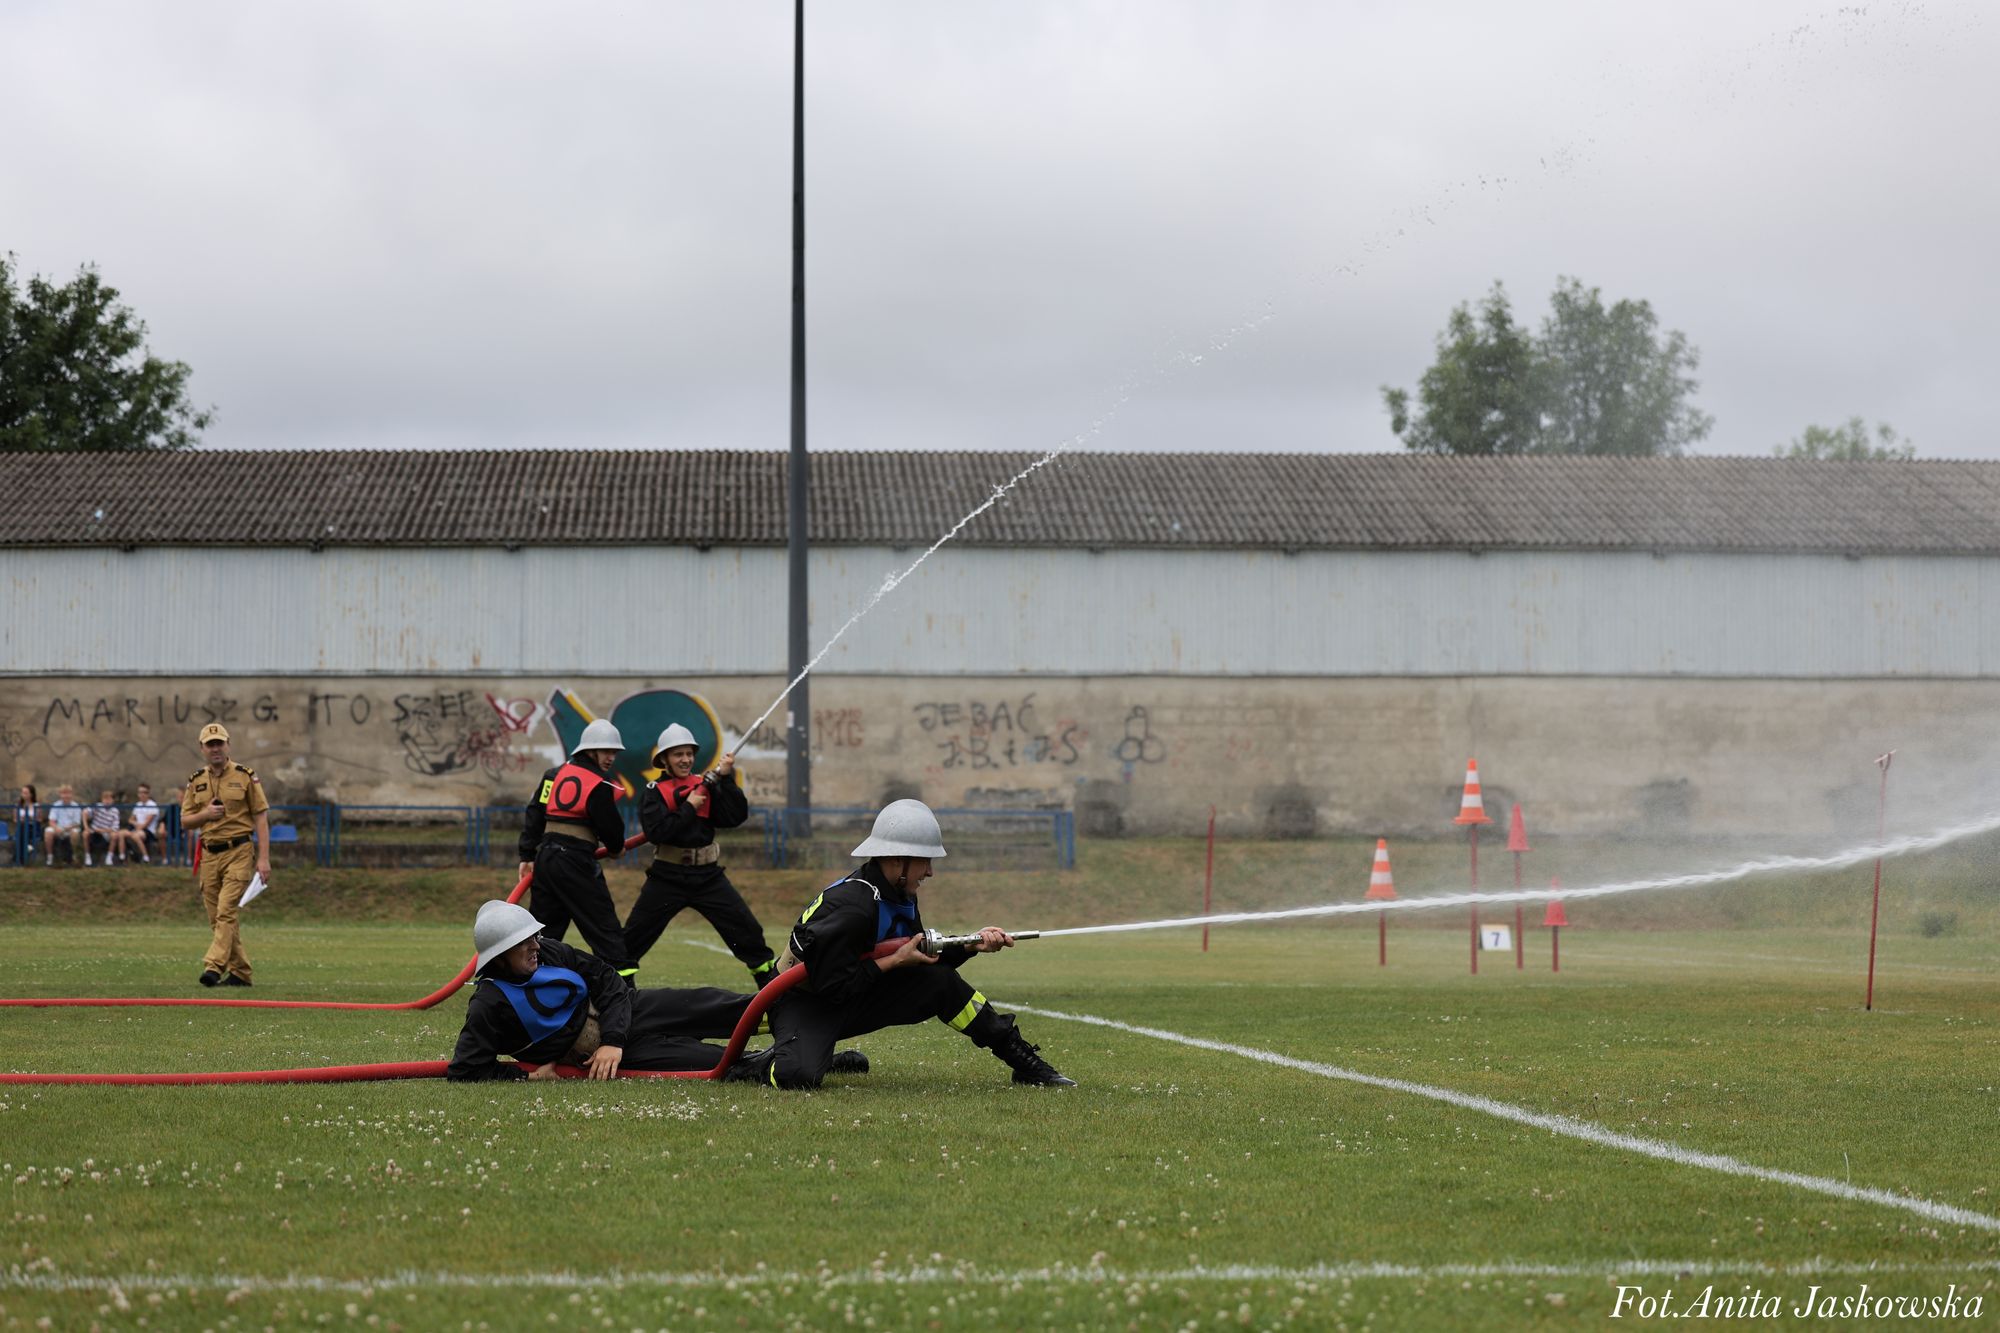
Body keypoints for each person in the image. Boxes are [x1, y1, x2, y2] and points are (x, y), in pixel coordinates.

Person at [745, 799, 1075, 1091]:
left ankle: (1023, 1062)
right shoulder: (852, 908)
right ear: (897, 860)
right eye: (925, 861)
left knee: (940, 983)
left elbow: (917, 958)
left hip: (849, 994)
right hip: (804, 1002)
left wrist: (972, 945)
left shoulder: (899, 894)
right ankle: (773, 1058)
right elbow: (833, 987)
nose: (930, 872)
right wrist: (892, 963)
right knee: (796, 1075)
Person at [447, 900, 852, 1083]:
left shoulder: (550, 950)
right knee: (720, 1064)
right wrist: (530, 1078)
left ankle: (818, 1026)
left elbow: (606, 980)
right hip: (593, 1057)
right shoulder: (489, 1004)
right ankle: (820, 1061)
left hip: (625, 1014)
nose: (536, 946)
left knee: (721, 1006)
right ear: (499, 956)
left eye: (534, 937)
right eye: (524, 943)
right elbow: (467, 1069)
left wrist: (614, 1039)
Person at [626, 724, 778, 985]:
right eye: (678, 755)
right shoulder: (653, 792)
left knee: (750, 935)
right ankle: (621, 1001)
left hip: (708, 877)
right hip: (667, 877)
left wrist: (727, 779)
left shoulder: (705, 785)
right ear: (664, 759)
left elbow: (735, 817)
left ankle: (774, 997)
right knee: (629, 943)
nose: (685, 760)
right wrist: (689, 807)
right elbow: (658, 832)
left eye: (689, 754)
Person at [517, 718, 639, 982]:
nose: (611, 757)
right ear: (590, 751)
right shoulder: (599, 783)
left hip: (546, 860)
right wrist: (616, 847)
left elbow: (535, 812)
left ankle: (525, 985)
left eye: (614, 752)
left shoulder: (553, 775)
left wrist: (527, 854)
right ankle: (625, 992)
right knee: (605, 930)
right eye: (606, 751)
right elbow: (610, 826)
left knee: (542, 934)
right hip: (576, 862)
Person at [181, 722, 270, 987]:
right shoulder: (196, 781)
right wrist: (205, 815)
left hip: (239, 851)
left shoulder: (245, 776)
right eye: (210, 744)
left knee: (225, 910)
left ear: (228, 745)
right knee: (217, 918)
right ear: (202, 748)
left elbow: (261, 817)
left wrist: (264, 859)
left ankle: (213, 965)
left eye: (219, 742)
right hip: (209, 854)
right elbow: (185, 821)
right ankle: (241, 972)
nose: (215, 748)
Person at [42, 785, 84, 866]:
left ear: (72, 794)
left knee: (75, 833)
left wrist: (67, 828)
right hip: (58, 829)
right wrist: (56, 828)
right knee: (48, 831)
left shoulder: (76, 806)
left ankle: (74, 856)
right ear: (60, 794)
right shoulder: (56, 805)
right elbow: (51, 821)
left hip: (70, 829)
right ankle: (50, 857)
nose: (66, 795)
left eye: (68, 793)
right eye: (64, 793)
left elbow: (77, 823)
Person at [123, 783, 161, 863]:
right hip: (137, 828)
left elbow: (147, 823)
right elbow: (130, 820)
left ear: (148, 793)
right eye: (140, 792)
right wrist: (136, 824)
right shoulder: (138, 805)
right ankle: (123, 857)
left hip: (148, 831)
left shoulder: (152, 805)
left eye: (144, 792)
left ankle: (145, 857)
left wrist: (137, 827)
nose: (142, 794)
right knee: (121, 834)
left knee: (136, 836)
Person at [85, 789, 122, 865]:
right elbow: (85, 812)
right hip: (94, 830)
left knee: (114, 835)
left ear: (113, 800)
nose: (107, 801)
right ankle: (87, 856)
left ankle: (109, 857)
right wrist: (86, 827)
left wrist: (103, 830)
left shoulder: (115, 811)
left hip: (106, 832)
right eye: (105, 799)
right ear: (102, 800)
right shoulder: (97, 806)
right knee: (85, 834)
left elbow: (115, 828)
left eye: (109, 799)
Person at [11, 784, 39, 867]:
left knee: (23, 830)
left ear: (31, 794)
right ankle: (22, 858)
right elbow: (15, 819)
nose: (24, 795)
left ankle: (17, 859)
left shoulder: (36, 806)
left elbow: (39, 819)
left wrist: (31, 818)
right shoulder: (18, 806)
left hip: (32, 828)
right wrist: (21, 819)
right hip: (21, 827)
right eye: (23, 793)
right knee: (22, 828)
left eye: (26, 793)